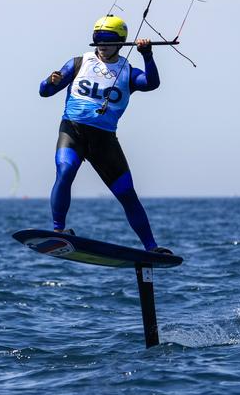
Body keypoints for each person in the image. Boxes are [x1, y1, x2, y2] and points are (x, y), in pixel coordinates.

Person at [39, 15, 172, 254]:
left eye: (109, 40)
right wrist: (50, 81)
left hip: (104, 140)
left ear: (121, 43)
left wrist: (147, 54)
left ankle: (151, 247)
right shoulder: (78, 63)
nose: (102, 44)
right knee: (65, 171)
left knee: (127, 194)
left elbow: (152, 83)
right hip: (73, 131)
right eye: (98, 39)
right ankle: (58, 231)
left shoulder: (128, 72)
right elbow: (45, 92)